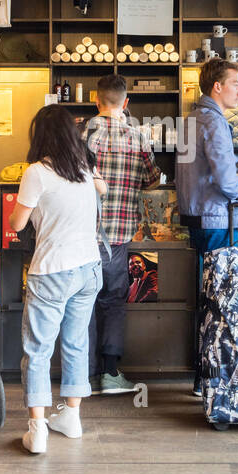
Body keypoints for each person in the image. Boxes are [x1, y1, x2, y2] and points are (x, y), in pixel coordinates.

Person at [6, 105, 107, 455]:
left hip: (53, 269)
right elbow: (101, 193)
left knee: (38, 348)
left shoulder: (37, 172)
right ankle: (71, 419)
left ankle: (38, 431)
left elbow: (17, 225)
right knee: (76, 343)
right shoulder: (84, 168)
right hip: (89, 269)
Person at [81, 74, 160, 394]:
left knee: (82, 302)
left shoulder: (81, 134)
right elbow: (152, 181)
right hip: (118, 235)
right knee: (113, 301)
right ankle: (110, 374)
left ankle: (82, 376)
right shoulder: (137, 136)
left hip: (82, 235)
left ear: (95, 101)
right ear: (126, 103)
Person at [176, 56, 238, 394]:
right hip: (217, 217)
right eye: (235, 83)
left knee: (207, 296)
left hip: (196, 217)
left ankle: (202, 374)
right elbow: (225, 178)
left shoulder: (189, 120)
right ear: (217, 87)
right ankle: (211, 377)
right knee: (220, 298)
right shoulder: (215, 122)